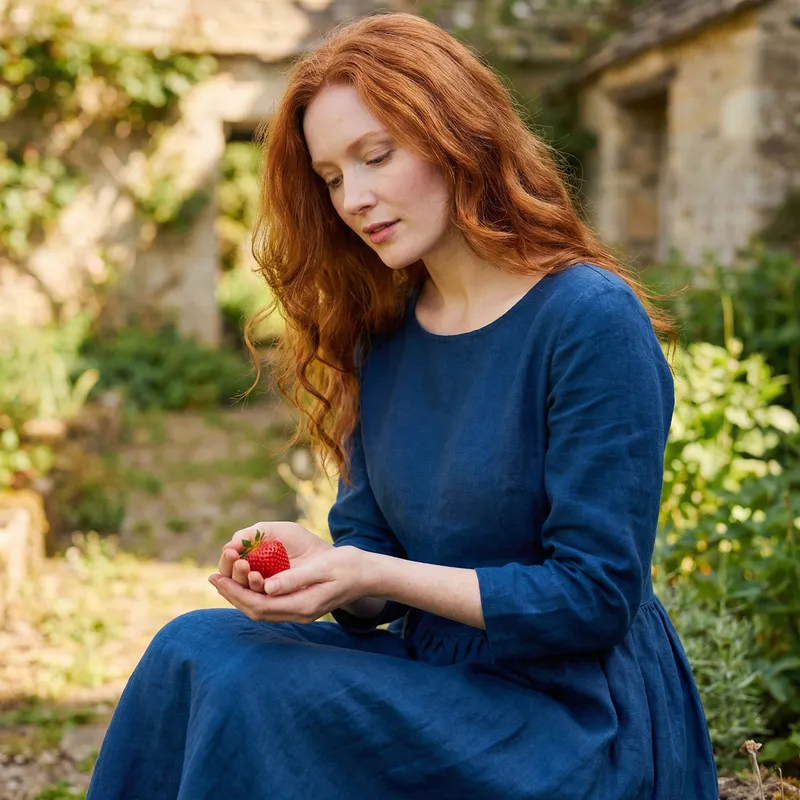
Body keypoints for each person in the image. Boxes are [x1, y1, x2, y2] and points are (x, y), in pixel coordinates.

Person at [86, 11, 719, 799]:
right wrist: (320, 569)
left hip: (571, 716)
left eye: (375, 157)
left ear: (458, 135)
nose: (353, 197)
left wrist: (369, 569)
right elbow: (372, 565)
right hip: (438, 683)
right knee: (195, 646)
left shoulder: (587, 319)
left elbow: (593, 598)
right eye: (331, 177)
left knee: (255, 692)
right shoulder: (380, 339)